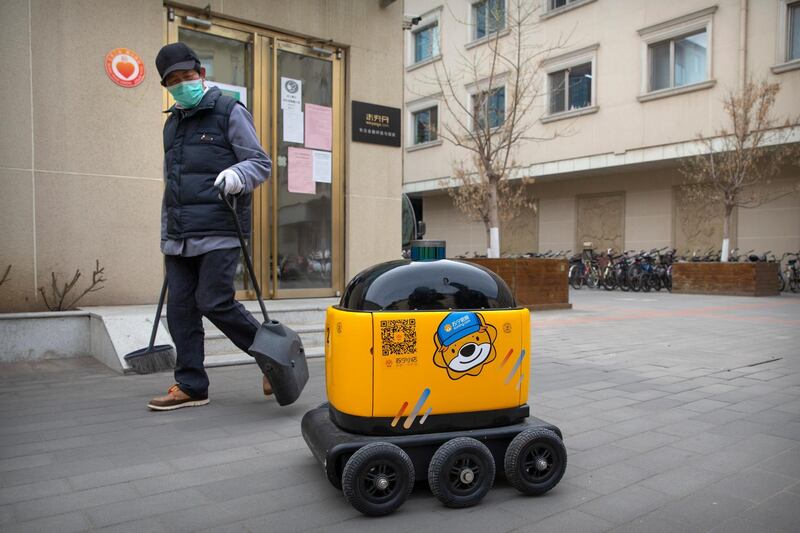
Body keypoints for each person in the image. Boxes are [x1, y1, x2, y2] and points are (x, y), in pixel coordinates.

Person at [147, 43, 273, 411]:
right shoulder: (172, 125)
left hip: (220, 228)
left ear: (200, 74)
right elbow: (173, 183)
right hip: (179, 235)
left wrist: (236, 174)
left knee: (214, 301)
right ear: (167, 86)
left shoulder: (228, 110)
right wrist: (167, 230)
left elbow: (259, 163)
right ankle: (191, 385)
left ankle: (273, 357)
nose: (182, 84)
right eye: (173, 80)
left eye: (187, 76)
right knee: (181, 310)